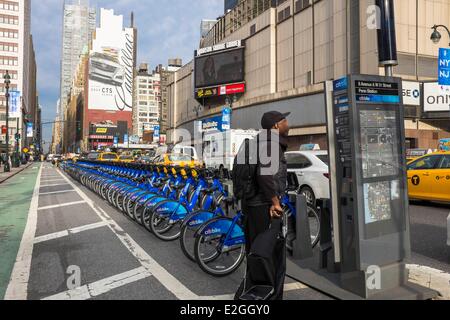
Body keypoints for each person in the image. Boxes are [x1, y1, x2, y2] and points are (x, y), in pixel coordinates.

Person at [238, 111, 290, 300]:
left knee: (257, 255)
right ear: (276, 125)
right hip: (264, 208)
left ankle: (250, 296)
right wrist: (275, 202)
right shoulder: (271, 144)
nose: (287, 123)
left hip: (252, 206)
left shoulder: (257, 142)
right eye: (284, 120)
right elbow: (265, 176)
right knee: (271, 259)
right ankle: (269, 298)